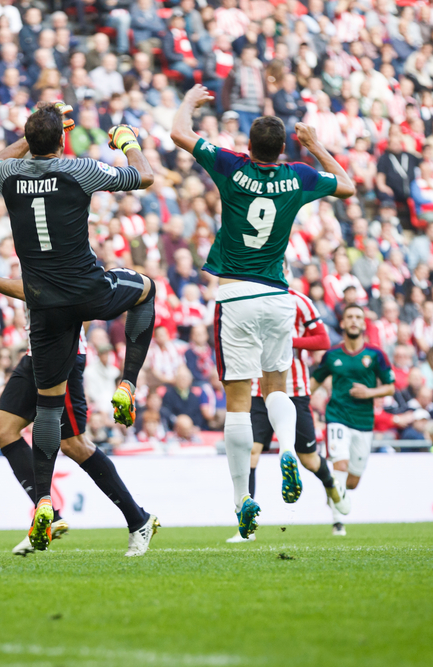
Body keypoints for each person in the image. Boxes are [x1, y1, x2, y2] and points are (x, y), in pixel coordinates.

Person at [170, 83, 355, 540]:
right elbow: (347, 186)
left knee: (238, 401)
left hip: (235, 295)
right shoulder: (299, 175)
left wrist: (191, 102)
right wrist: (315, 146)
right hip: (278, 296)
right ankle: (288, 449)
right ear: (285, 149)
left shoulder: (231, 165)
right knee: (276, 385)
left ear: (248, 147)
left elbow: (178, 132)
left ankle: (241, 500)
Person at [0, 102, 158, 553]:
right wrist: (128, 142)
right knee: (145, 289)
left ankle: (44, 502)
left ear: (27, 141)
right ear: (63, 139)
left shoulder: (6, 175)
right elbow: (144, 176)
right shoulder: (78, 168)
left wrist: (37, 132)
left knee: (49, 413)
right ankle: (127, 384)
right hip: (85, 291)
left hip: (43, 306)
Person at [0, 263, 156, 557]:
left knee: (74, 445)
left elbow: (33, 290)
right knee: (3, 430)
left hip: (65, 358)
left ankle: (139, 520)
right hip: (34, 355)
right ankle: (49, 515)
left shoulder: (57, 266)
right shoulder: (46, 259)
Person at [227, 286, 349, 543]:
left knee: (310, 460)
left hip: (296, 390)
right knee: (251, 453)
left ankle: (330, 485)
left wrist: (286, 342)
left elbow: (323, 340)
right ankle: (246, 525)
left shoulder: (298, 301)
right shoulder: (249, 302)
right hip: (258, 391)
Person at [310, 306, 396, 536]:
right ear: (343, 323)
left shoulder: (376, 354)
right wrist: (299, 403)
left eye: (358, 317)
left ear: (364, 323)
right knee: (340, 464)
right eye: (350, 317)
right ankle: (338, 523)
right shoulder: (332, 355)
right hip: (337, 416)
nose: (354, 321)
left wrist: (369, 393)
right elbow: (314, 382)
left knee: (352, 481)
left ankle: (333, 488)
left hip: (364, 421)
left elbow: (390, 386)